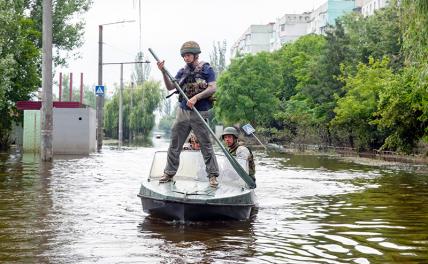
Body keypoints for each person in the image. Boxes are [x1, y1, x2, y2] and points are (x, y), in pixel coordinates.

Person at [157, 41, 219, 187]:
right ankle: (169, 173)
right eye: (184, 56)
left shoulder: (206, 69)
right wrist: (163, 72)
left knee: (206, 145)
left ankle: (212, 176)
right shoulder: (182, 71)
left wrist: (197, 97)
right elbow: (170, 86)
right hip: (183, 112)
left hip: (200, 112)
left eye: (189, 55)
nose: (186, 58)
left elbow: (212, 88)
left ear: (196, 55)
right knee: (174, 143)